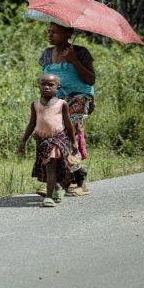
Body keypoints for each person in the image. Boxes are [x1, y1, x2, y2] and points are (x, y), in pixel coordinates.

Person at [38, 22, 95, 196]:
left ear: (68, 33)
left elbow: (91, 80)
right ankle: (79, 180)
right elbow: (46, 81)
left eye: (55, 32)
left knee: (68, 136)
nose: (50, 35)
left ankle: (59, 184)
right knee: (52, 136)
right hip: (57, 101)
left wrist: (74, 60)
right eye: (49, 31)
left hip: (79, 98)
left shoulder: (80, 52)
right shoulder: (47, 55)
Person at [19, 74, 79, 207]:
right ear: (39, 86)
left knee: (51, 166)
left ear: (58, 88)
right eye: (43, 84)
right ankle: (57, 187)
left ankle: (48, 196)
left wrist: (74, 142)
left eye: (50, 85)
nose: (46, 87)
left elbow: (68, 124)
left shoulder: (62, 104)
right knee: (47, 167)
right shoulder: (35, 104)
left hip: (57, 138)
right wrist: (24, 140)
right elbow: (32, 123)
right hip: (41, 140)